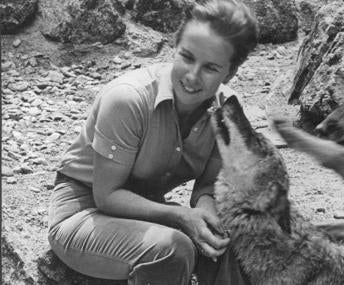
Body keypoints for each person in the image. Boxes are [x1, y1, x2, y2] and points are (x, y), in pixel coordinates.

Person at [47, 0, 258, 284]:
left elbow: (210, 184)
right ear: (174, 49)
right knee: (173, 249)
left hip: (147, 211)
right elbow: (107, 196)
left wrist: (207, 214)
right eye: (186, 57)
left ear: (230, 73)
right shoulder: (128, 99)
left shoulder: (227, 111)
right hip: (84, 213)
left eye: (210, 68)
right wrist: (180, 215)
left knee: (231, 237)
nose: (192, 76)